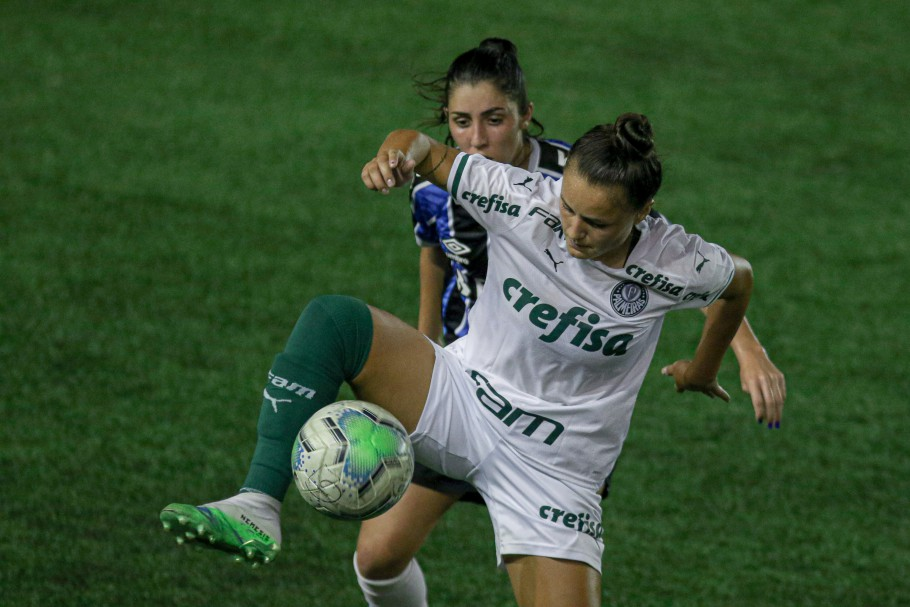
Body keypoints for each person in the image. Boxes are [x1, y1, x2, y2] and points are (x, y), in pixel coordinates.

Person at [161, 112, 783, 606]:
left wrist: (703, 367)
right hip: (464, 397)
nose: (571, 230)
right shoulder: (524, 198)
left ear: (643, 215)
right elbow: (420, 145)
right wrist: (394, 157)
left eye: (595, 222)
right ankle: (257, 505)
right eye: (568, 207)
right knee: (334, 321)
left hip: (558, 468)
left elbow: (739, 283)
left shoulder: (677, 260)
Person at [352, 39, 786, 607]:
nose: (479, 139)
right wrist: (425, 338)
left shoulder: (575, 182)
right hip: (469, 383)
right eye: (461, 123)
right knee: (378, 558)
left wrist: (743, 350)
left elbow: (668, 267)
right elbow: (437, 252)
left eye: (495, 120)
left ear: (525, 116)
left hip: (551, 420)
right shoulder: (437, 180)